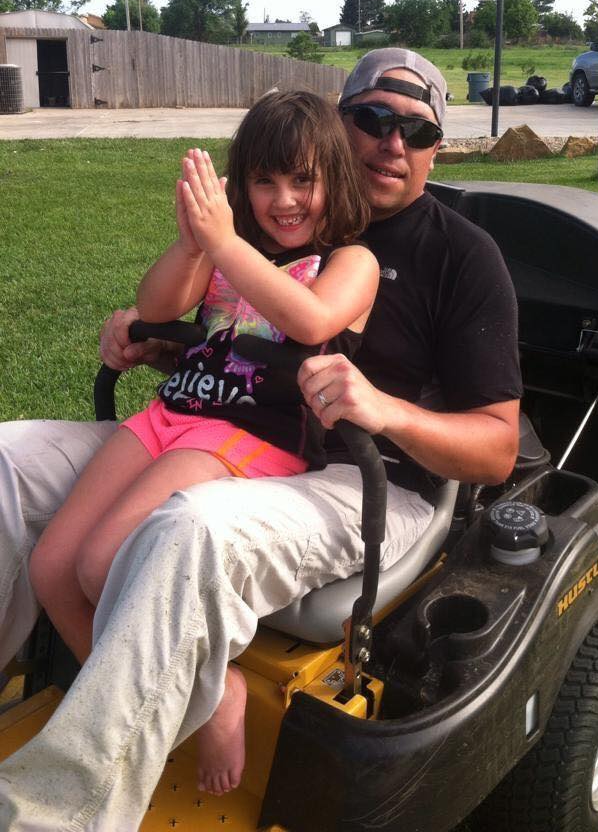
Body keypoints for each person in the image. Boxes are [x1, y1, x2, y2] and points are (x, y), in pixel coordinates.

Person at [0, 48, 522, 831]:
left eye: (415, 130)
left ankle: (54, 812)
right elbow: (238, 338)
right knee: (9, 461)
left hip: (358, 476)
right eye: (372, 118)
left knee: (182, 530)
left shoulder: (453, 254)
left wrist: (384, 410)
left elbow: (495, 449)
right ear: (335, 125)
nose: (391, 141)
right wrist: (157, 340)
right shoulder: (269, 233)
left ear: (435, 147)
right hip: (202, 416)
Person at [25, 89, 379, 797]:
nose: (284, 200)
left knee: (103, 566)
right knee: (53, 565)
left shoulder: (351, 263)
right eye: (265, 181)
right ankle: (167, 704)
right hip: (169, 414)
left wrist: (224, 244)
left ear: (332, 182)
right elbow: (155, 310)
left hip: (246, 437)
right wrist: (194, 241)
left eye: (302, 180)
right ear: (241, 185)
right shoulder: (223, 254)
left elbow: (310, 322)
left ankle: (219, 697)